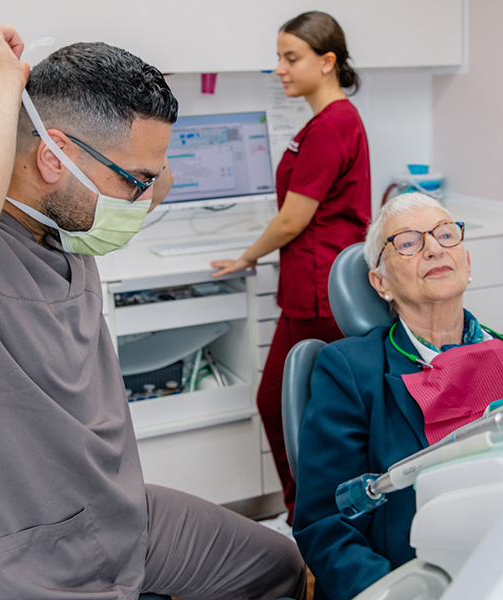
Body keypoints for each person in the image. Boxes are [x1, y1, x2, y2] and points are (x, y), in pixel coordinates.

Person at [0, 24, 306, 600]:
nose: (147, 198)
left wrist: (134, 145)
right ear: (52, 158)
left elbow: (155, 178)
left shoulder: (66, 227)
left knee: (278, 567)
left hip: (112, 517)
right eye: (135, 182)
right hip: (0, 562)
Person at [292, 193, 503, 600]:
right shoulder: (350, 369)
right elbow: (326, 524)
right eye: (408, 243)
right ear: (380, 283)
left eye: (446, 235)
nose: (434, 248)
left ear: (466, 261)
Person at [210, 10, 371, 524]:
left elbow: (292, 219)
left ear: (327, 62)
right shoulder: (330, 121)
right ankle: (317, 513)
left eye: (291, 57)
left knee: (294, 406)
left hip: (321, 287)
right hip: (317, 283)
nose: (280, 68)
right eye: (279, 57)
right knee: (298, 403)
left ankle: (312, 517)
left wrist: (246, 256)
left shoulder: (331, 125)